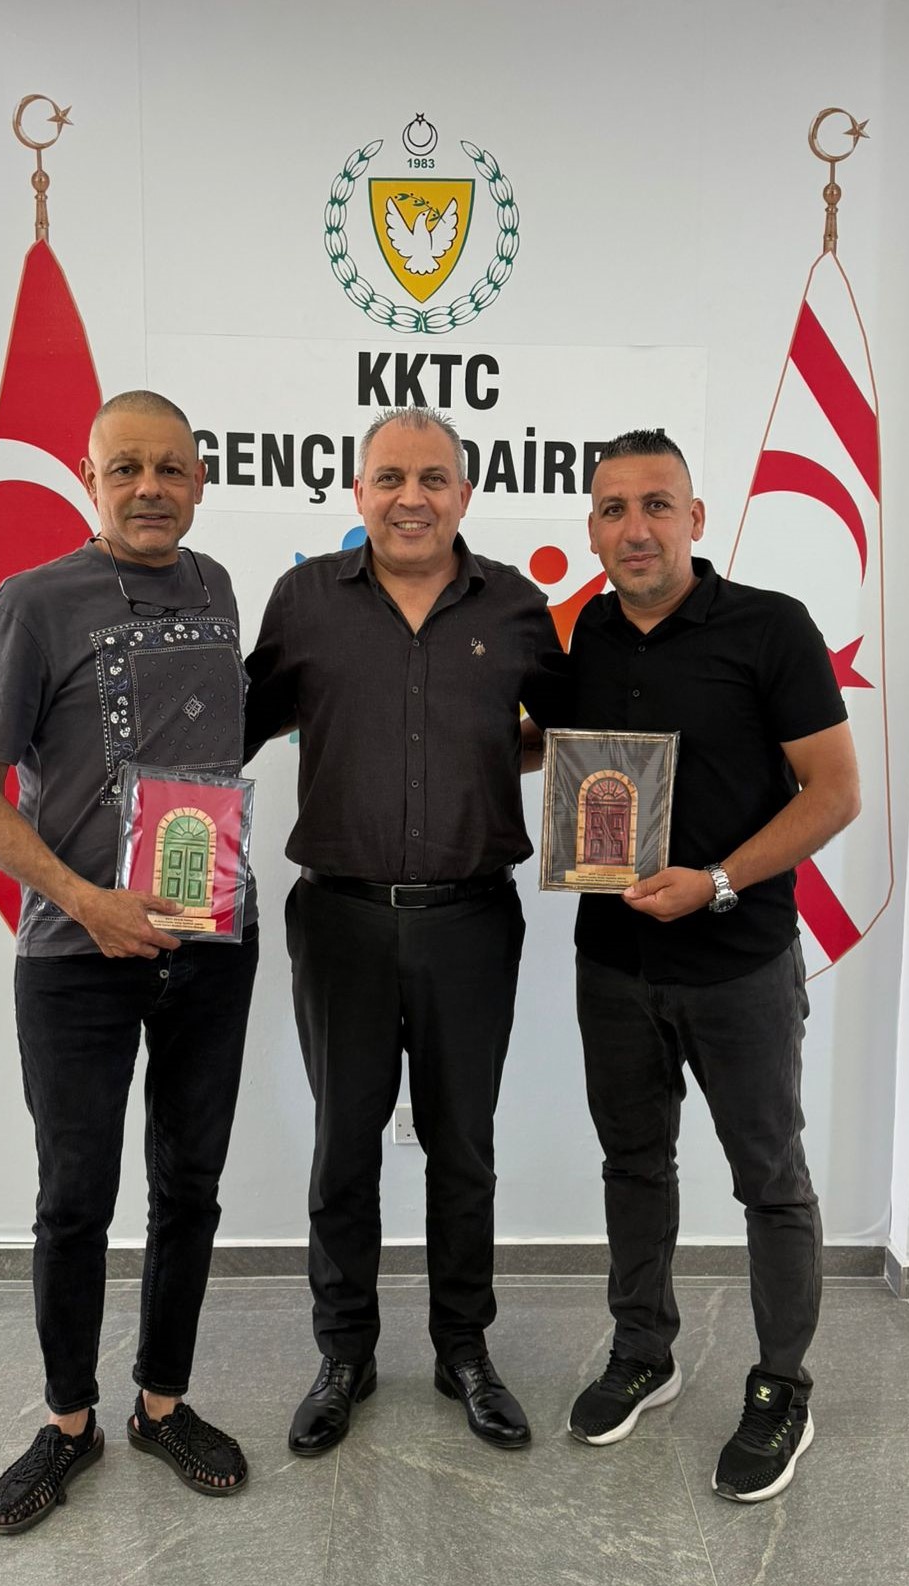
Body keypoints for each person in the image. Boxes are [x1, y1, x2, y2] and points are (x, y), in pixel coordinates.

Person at [0, 391, 258, 1532]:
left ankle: (161, 1403)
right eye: (125, 466)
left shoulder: (219, 587)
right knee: (74, 1199)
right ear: (90, 478)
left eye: (170, 467)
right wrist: (86, 901)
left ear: (200, 479)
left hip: (208, 944)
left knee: (190, 1185)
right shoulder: (32, 601)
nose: (149, 487)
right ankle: (69, 1421)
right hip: (75, 953)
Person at [243, 406, 565, 1455]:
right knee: (343, 1148)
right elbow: (231, 727)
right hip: (337, 919)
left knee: (462, 1149)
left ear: (464, 494)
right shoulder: (303, 601)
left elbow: (576, 735)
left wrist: (484, 753)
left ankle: (463, 1349)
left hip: (471, 921)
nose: (411, 497)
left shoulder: (515, 606)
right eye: (389, 478)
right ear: (358, 492)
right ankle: (343, 1351)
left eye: (432, 478)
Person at [564, 429, 860, 1502]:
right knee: (632, 1165)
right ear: (591, 528)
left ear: (695, 518)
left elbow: (834, 792)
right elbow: (557, 753)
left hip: (738, 962)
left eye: (656, 505)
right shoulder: (584, 634)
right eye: (612, 508)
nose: (634, 527)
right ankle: (644, 1349)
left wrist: (719, 880)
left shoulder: (771, 627)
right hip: (612, 961)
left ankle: (782, 1385)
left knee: (768, 1180)